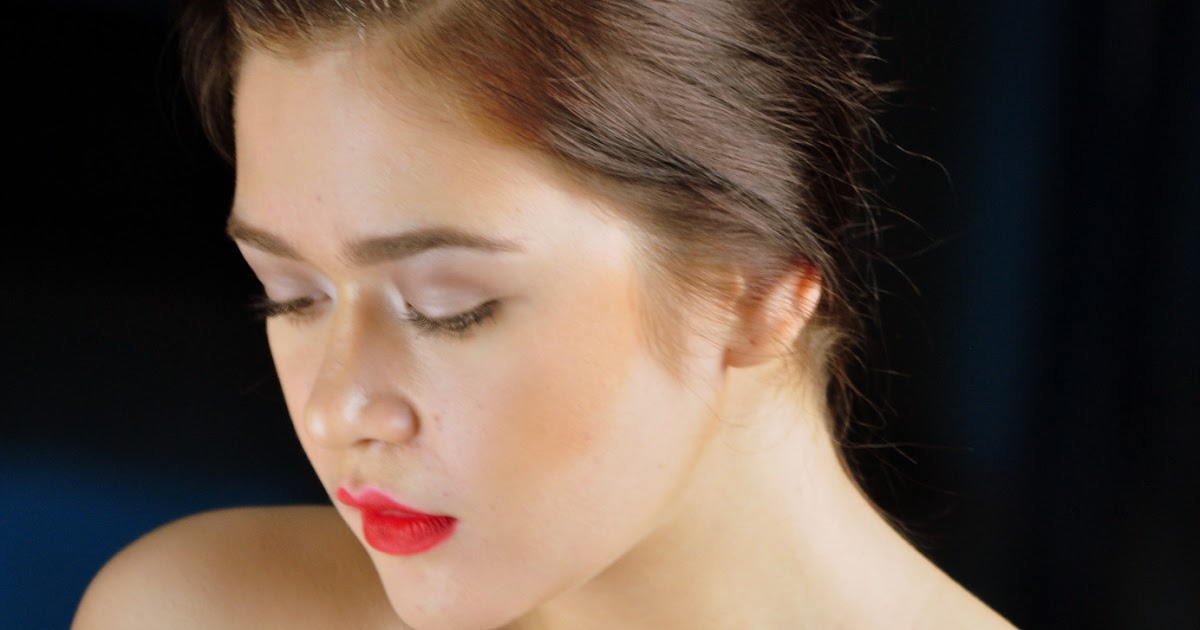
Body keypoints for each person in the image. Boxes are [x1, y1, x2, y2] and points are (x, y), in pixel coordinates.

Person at [73, 0, 1015, 628]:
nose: (334, 411)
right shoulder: (192, 612)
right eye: (293, 294)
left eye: (448, 309)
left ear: (752, 288)